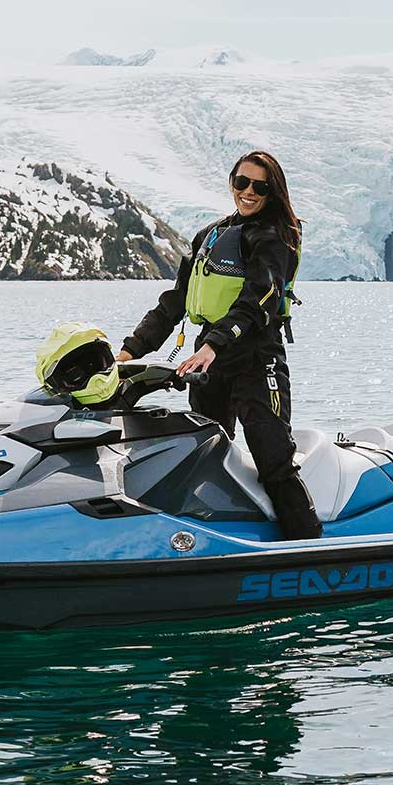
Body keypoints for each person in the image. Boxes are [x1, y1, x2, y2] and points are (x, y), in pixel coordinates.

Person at [118, 150, 320, 539]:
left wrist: (213, 345)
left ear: (273, 192)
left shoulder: (275, 238)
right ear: (231, 182)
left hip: (256, 359)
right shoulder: (210, 236)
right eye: (241, 182)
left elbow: (257, 299)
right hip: (209, 361)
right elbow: (175, 301)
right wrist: (126, 352)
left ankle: (309, 547)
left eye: (259, 186)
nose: (248, 191)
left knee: (273, 460)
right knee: (206, 457)